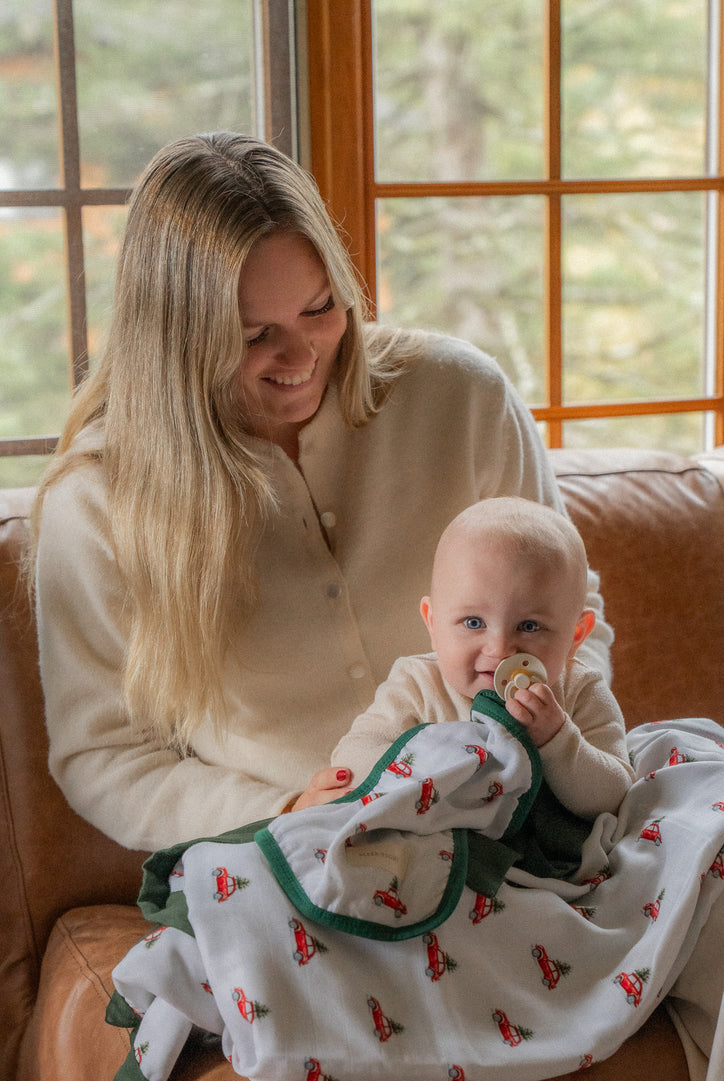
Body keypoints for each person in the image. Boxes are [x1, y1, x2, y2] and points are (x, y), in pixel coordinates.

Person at [28, 130, 612, 853]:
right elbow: (105, 758)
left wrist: (550, 757)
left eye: (320, 308)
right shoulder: (95, 503)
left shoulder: (462, 399)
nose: (301, 358)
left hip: (518, 822)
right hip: (293, 859)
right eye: (251, 335)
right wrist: (288, 812)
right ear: (174, 340)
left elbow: (570, 616)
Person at [329, 496, 633, 820]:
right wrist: (428, 766)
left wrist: (558, 740)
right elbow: (350, 761)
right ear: (433, 623)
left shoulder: (579, 691)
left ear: (575, 636)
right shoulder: (416, 685)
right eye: (474, 623)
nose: (500, 649)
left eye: (529, 626)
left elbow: (614, 796)